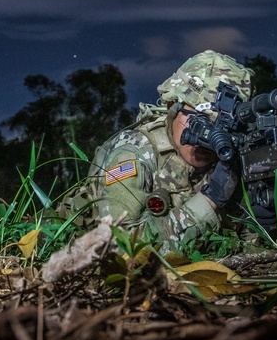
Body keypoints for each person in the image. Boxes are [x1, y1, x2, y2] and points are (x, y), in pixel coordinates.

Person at [65, 50, 257, 253]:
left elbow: (250, 245)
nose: (208, 141)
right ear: (172, 106)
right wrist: (210, 201)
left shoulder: (229, 152)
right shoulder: (133, 153)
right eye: (199, 123)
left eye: (224, 130)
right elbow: (121, 248)